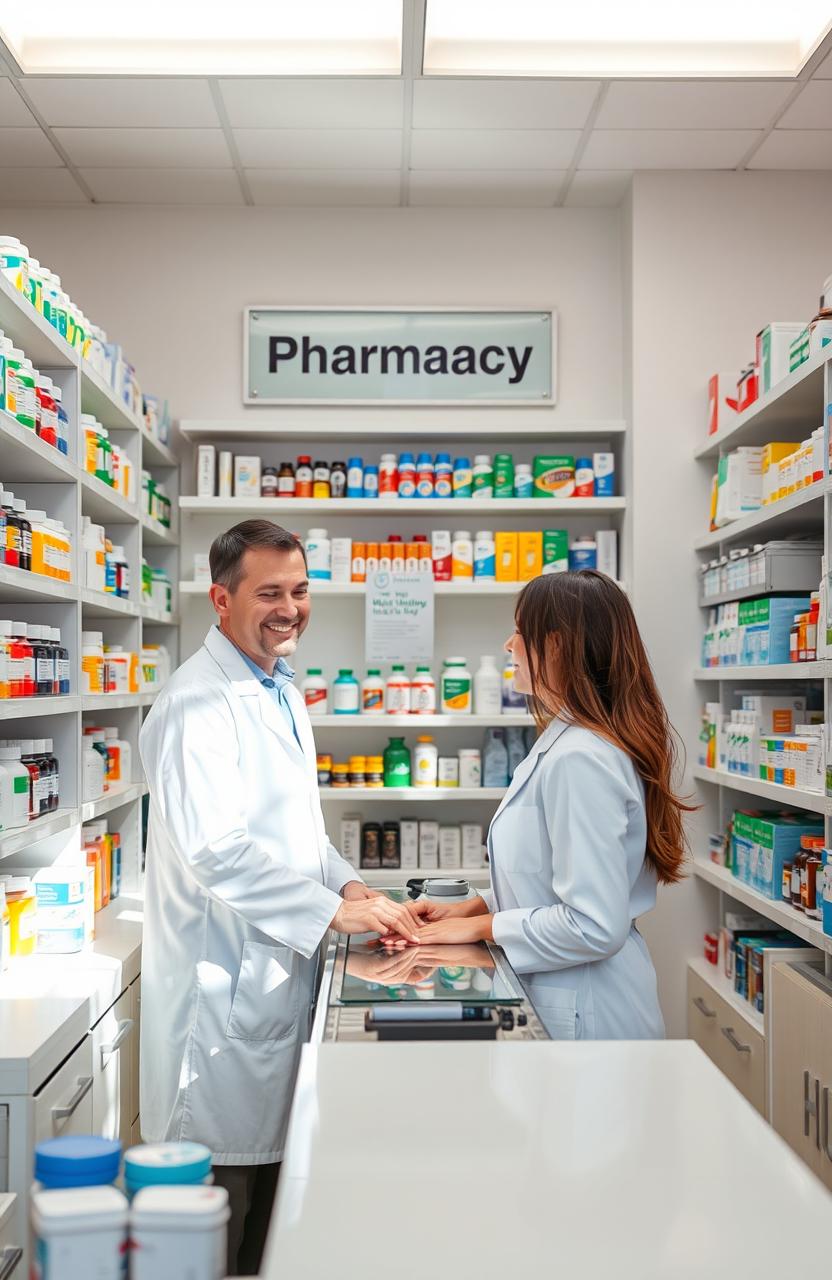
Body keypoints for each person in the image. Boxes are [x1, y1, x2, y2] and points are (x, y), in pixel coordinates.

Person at [139, 519, 418, 1275]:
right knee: (219, 1226)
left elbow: (299, 832)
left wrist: (354, 888)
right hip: (221, 1007)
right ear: (221, 600)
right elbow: (217, 851)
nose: (288, 607)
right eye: (269, 593)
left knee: (274, 1222)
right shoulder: (197, 703)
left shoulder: (279, 689)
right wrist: (334, 913)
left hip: (274, 987)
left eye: (298, 590)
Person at [404, 570, 690, 1040]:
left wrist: (484, 927)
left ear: (555, 645)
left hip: (589, 1014)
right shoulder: (568, 741)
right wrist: (477, 907)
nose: (508, 646)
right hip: (564, 999)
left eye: (519, 632)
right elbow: (552, 883)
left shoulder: (581, 757)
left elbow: (593, 925)